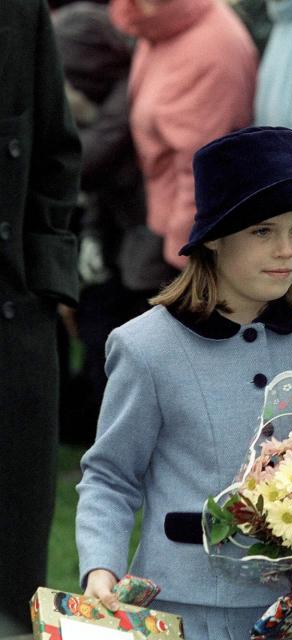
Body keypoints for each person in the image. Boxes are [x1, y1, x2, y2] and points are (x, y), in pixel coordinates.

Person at [75, 127, 292, 640]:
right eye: (262, 231)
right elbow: (111, 477)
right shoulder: (145, 347)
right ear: (214, 237)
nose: (286, 250)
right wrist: (100, 569)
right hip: (191, 610)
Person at [53, 1, 177, 446]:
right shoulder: (119, 89)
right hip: (119, 236)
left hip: (139, 239)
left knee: (115, 346)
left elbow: (87, 159)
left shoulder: (122, 102)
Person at [0, 0, 82, 632]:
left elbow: (56, 148)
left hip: (13, 310)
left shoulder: (20, 13)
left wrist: (47, 281)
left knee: (11, 574)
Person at [109, 0, 258, 270]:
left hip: (190, 239)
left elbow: (202, 168)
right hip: (158, 215)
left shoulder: (210, 45)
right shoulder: (159, 25)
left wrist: (184, 256)